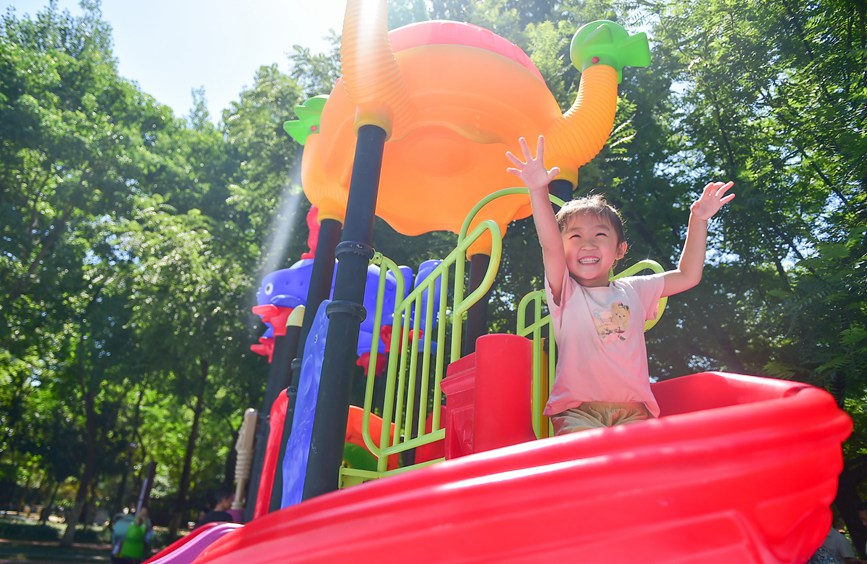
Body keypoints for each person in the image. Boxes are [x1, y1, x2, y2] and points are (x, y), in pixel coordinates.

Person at [506, 135, 735, 435]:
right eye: (575, 237)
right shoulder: (565, 292)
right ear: (563, 252)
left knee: (642, 475)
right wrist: (537, 190)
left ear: (619, 250)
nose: (587, 244)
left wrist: (699, 219)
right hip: (578, 412)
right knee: (587, 471)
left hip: (635, 413)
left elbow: (687, 274)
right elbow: (549, 245)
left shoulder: (634, 290)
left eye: (599, 235)